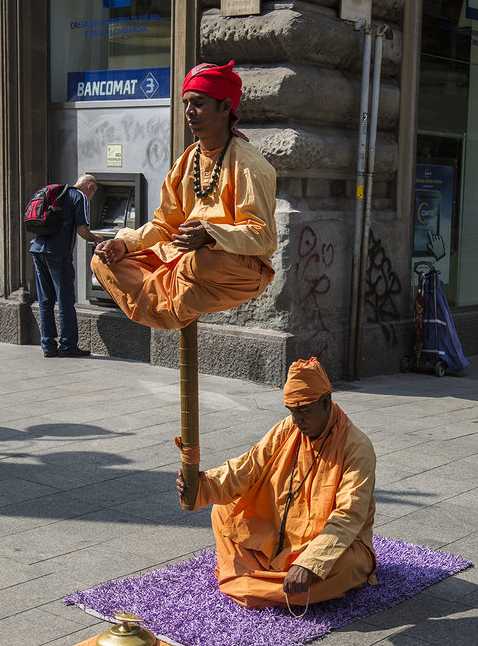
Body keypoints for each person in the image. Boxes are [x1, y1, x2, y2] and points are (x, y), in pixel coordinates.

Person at [176, 357, 377, 610]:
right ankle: (271, 583)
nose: (297, 421)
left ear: (326, 402)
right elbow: (247, 468)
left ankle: (251, 581)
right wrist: (202, 484)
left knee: (347, 565)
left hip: (330, 544)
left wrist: (310, 561)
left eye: (303, 411)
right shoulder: (287, 429)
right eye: (292, 411)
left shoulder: (357, 447)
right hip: (281, 533)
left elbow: (349, 514)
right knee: (223, 510)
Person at [92, 61, 277, 330]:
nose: (190, 112)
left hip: (235, 266)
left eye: (198, 103)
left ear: (225, 108)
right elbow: (165, 226)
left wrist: (211, 234)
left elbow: (262, 237)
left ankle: (163, 305)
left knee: (196, 261)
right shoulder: (186, 161)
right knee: (103, 260)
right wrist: (126, 244)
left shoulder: (250, 165)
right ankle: (168, 304)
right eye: (186, 104)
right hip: (180, 260)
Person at [30, 174, 103, 357]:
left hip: (37, 249)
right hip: (58, 253)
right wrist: (96, 239)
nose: (92, 197)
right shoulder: (80, 197)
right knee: (65, 299)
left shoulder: (59, 192)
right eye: (94, 193)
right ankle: (68, 345)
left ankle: (48, 346)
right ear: (90, 187)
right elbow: (82, 230)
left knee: (45, 300)